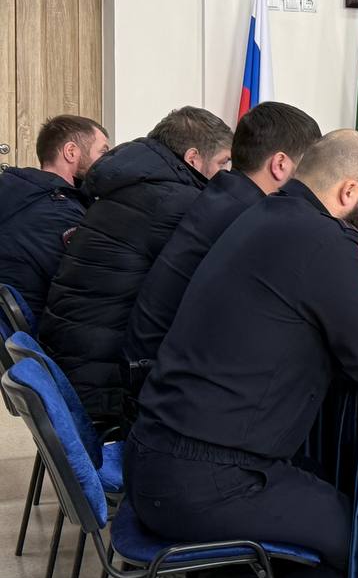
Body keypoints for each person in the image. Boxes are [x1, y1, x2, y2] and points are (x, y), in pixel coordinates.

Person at [127, 130, 358, 578]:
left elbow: (342, 323)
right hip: (210, 479)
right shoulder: (322, 240)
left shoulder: (266, 216)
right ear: (349, 192)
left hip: (161, 455)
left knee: (326, 491)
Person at [40, 106, 232, 425]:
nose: (227, 174)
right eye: (223, 162)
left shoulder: (132, 186)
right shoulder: (173, 203)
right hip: (106, 382)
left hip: (75, 359)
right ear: (193, 159)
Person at [125, 102, 323, 372]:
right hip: (169, 374)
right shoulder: (253, 219)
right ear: (280, 165)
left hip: (152, 362)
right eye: (308, 167)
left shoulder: (224, 195)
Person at [0, 115, 109, 327]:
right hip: (39, 332)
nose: (107, 161)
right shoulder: (58, 212)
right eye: (103, 152)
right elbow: (87, 287)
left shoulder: (20, 193)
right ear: (71, 152)